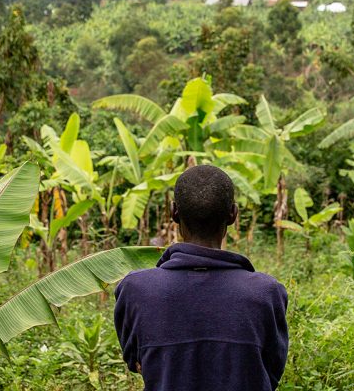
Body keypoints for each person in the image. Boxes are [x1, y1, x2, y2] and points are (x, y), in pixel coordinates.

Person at [114, 165, 289, 391]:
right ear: (233, 215)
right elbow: (271, 371)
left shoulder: (135, 289)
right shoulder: (267, 292)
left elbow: (136, 362)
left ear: (174, 212)